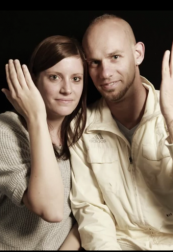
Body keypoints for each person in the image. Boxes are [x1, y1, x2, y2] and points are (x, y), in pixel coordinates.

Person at [70, 13, 173, 250]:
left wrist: (171, 122)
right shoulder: (80, 128)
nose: (104, 73)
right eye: (94, 62)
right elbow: (91, 210)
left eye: (115, 57)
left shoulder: (170, 110)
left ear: (138, 54)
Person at [0, 35, 87, 250]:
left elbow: (94, 208)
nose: (67, 89)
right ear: (33, 80)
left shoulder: (82, 129)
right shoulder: (1, 130)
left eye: (76, 78)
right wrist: (36, 118)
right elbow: (51, 209)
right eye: (54, 77)